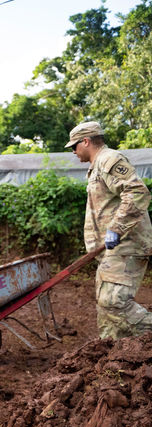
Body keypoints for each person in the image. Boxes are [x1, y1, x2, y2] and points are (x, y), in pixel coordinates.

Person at [67, 121, 152, 339]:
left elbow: (137, 192)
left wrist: (116, 228)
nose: (73, 151)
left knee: (113, 302)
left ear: (86, 141)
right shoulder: (96, 166)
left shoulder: (109, 160)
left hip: (126, 244)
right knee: (106, 308)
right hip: (112, 250)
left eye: (74, 146)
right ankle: (111, 352)